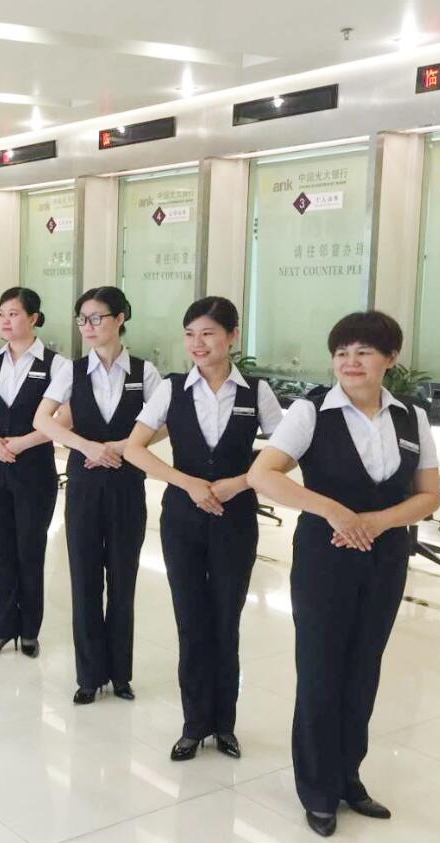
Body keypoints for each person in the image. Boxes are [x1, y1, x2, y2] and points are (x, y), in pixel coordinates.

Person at [247, 312, 440, 839]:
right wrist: (334, 511)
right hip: (324, 556)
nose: (350, 362)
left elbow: (428, 495)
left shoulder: (411, 417)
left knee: (363, 669)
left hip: (386, 555)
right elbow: (263, 474)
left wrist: (377, 522)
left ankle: (349, 777)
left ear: (390, 359)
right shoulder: (312, 411)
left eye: (364, 352)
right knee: (320, 671)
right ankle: (317, 789)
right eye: (341, 353)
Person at [123, 296, 283, 762]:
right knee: (191, 621)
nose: (198, 343)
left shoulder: (257, 392)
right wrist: (186, 482)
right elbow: (134, 448)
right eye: (190, 334)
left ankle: (224, 725)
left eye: (208, 333)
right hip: (183, 518)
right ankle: (194, 725)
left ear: (232, 336)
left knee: (226, 621)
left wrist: (241, 481)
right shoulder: (172, 388)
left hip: (236, 518)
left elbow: (286, 451)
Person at [34, 287, 162, 703]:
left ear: (120, 318)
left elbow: (164, 423)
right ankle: (88, 675)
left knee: (123, 579)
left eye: (96, 318)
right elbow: (42, 419)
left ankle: (120, 674)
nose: (88, 327)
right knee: (84, 578)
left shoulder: (145, 372)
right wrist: (86, 447)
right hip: (84, 483)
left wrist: (120, 448)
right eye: (82, 319)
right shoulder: (71, 372)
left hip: (127, 482)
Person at [0, 287, 68, 657]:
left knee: (30, 549)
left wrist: (22, 443)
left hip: (34, 466)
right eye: (2, 314)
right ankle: (2, 628)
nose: (6, 321)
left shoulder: (56, 364)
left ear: (33, 318)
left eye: (14, 314)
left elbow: (65, 418)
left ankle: (30, 630)